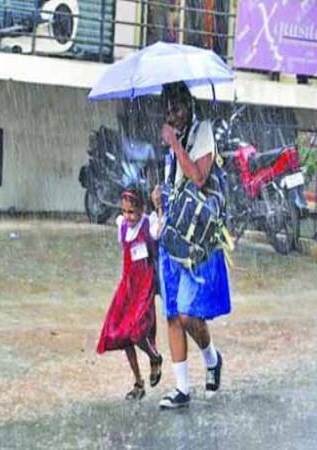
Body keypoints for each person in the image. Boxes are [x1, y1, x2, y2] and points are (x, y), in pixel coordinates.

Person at [156, 81, 231, 410]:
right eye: (168, 108)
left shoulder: (202, 132)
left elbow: (199, 177)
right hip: (171, 232)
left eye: (178, 107)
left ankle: (212, 358)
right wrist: (159, 197)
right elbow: (175, 181)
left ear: (189, 105)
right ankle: (182, 389)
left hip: (194, 237)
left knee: (188, 314)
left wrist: (173, 143)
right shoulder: (170, 140)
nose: (173, 114)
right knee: (172, 314)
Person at [96, 189, 163, 400]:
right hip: (128, 286)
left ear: (142, 209)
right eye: (124, 211)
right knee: (122, 334)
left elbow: (159, 234)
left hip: (145, 285)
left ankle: (155, 357)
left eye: (132, 212)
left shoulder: (149, 225)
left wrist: (159, 207)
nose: (127, 217)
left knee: (136, 331)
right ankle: (138, 381)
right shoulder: (122, 226)